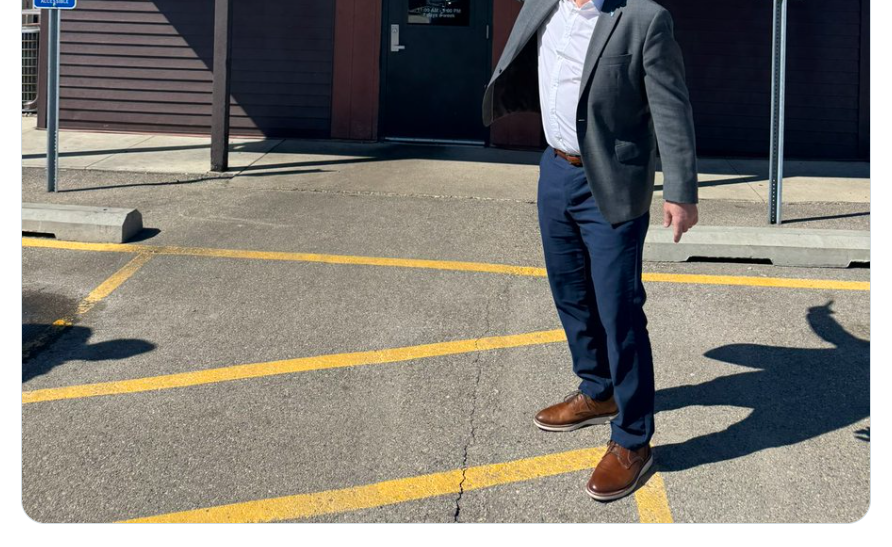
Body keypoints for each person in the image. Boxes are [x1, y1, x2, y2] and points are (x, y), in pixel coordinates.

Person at [482, 0, 699, 502]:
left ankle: (633, 439)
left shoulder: (643, 18)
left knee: (619, 310)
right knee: (570, 294)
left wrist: (681, 190)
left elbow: (671, 106)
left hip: (613, 179)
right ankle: (599, 390)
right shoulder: (542, 6)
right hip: (555, 170)